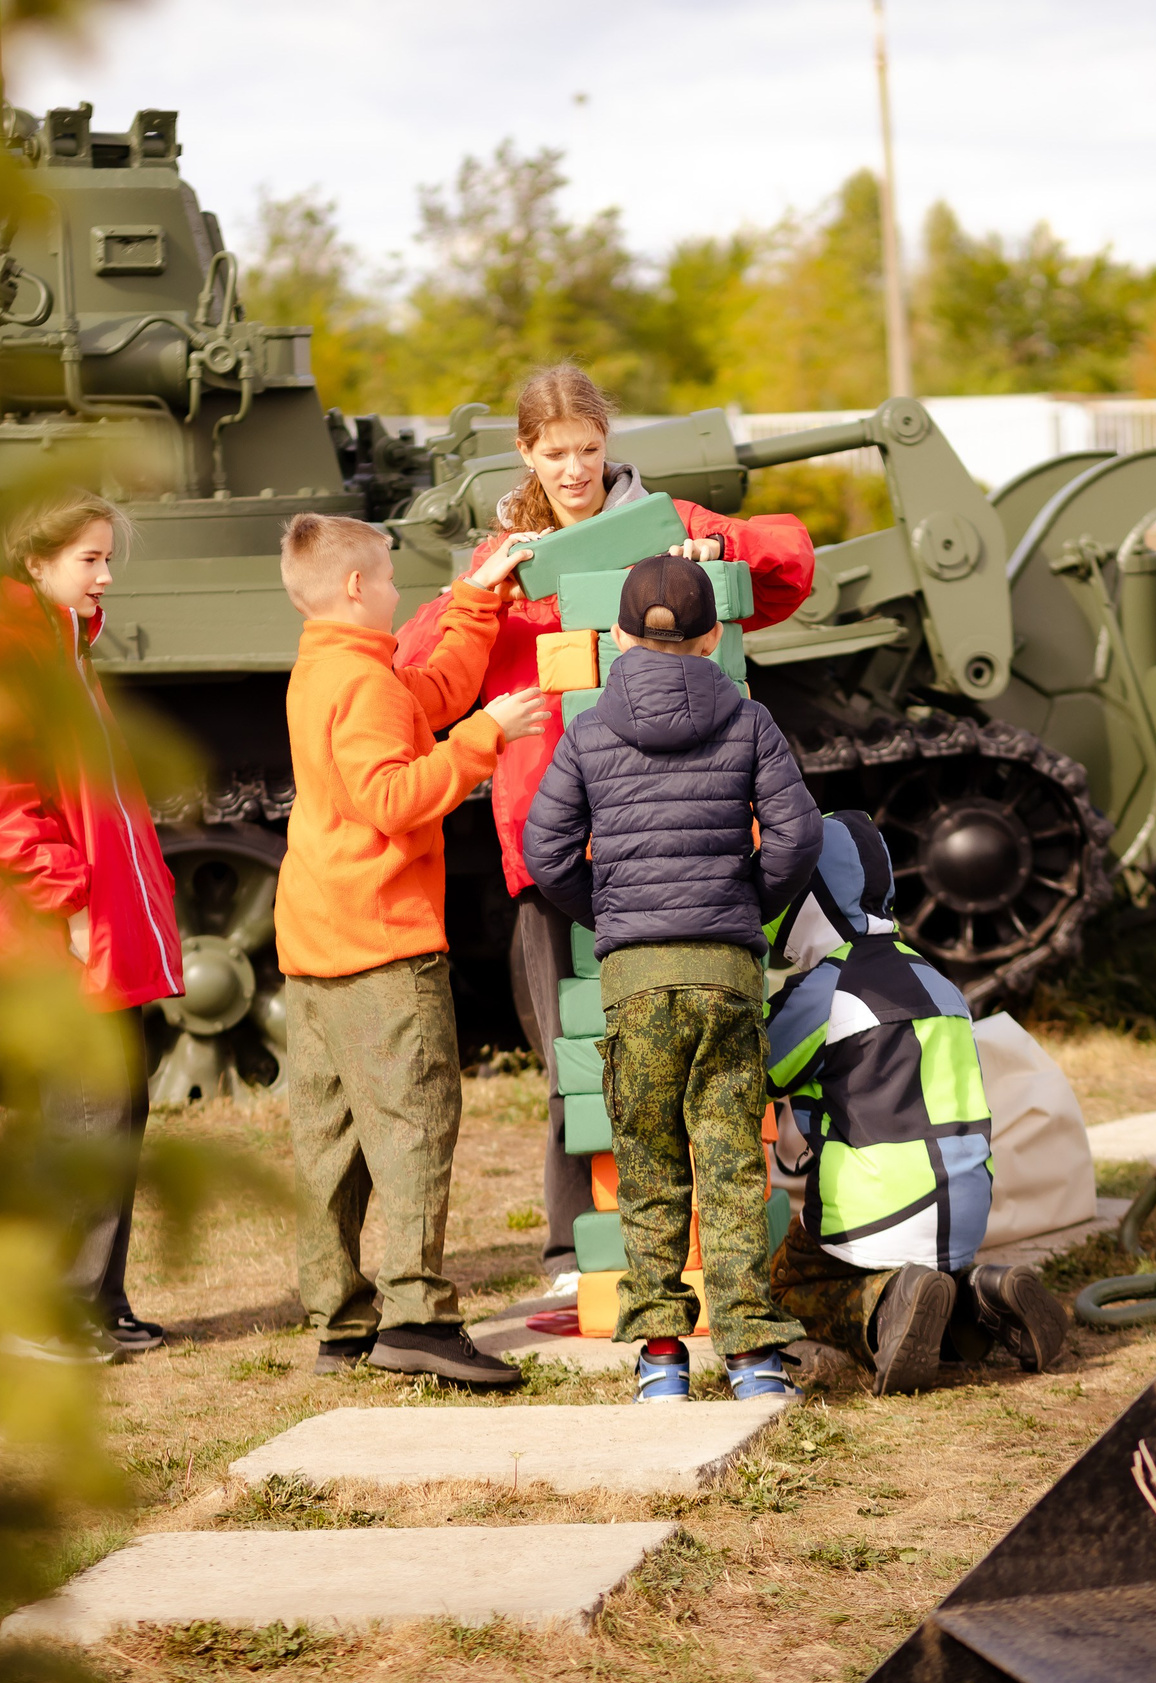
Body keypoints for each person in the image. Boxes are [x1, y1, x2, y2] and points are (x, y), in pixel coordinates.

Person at [395, 362, 818, 1294]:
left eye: (589, 449)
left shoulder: (663, 528)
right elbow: (419, 679)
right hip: (553, 837)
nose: (576, 469)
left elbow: (788, 568)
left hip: (672, 830)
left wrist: (717, 555)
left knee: (708, 1045)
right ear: (526, 454)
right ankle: (570, 1249)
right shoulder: (502, 557)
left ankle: (718, 1240)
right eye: (556, 454)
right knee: (575, 1054)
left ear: (607, 444)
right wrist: (484, 594)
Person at [522, 555, 824, 1403]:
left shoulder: (587, 732)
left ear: (618, 636)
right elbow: (796, 837)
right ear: (715, 635)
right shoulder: (750, 720)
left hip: (635, 977)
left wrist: (615, 915)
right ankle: (754, 1359)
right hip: (725, 970)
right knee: (732, 1163)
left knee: (651, 1169)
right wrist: (741, 906)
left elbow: (544, 850)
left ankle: (660, 1358)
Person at [274, 512, 548, 1387]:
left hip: (315, 939)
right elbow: (396, 796)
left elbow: (427, 692)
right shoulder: (365, 686)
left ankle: (342, 1322)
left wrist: (478, 597)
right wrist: (487, 734)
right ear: (357, 588)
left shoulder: (332, 667)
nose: (397, 593)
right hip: (382, 946)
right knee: (417, 1126)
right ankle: (420, 1318)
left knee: (331, 1144)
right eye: (390, 580)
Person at [0, 489, 186, 1364]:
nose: (106, 574)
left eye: (107, 556)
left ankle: (95, 1300)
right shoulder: (9, 665)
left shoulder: (59, 655)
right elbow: (0, 810)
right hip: (51, 939)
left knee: (115, 1106)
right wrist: (76, 908)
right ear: (35, 563)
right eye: (90, 558)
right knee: (83, 1116)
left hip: (87, 932)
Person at [762, 811, 1071, 1393]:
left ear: (804, 898)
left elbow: (761, 1070)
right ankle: (984, 1292)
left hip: (875, 1212)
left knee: (786, 1283)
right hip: (966, 1211)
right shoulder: (939, 981)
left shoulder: (825, 989)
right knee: (925, 1271)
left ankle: (883, 1312)